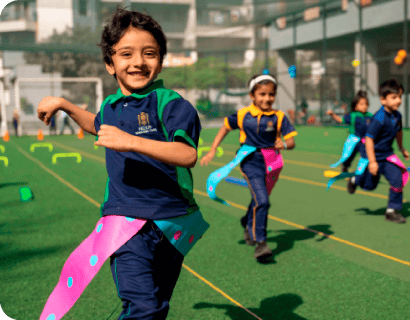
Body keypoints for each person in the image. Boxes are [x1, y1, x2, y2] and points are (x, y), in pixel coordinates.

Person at [37, 8, 209, 319]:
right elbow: (98, 125)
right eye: (126, 53)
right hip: (124, 223)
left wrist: (130, 141)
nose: (139, 62)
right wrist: (65, 105)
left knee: (156, 307)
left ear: (160, 60)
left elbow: (188, 155)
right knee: (144, 306)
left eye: (149, 53)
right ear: (110, 64)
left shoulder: (171, 104)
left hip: (172, 223)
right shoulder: (111, 105)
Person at [200, 74, 297, 261]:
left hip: (272, 161)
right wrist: (213, 150)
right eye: (262, 94)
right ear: (253, 96)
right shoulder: (243, 114)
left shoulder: (279, 117)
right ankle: (261, 244)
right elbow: (225, 128)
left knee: (260, 198)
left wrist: (283, 145)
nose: (267, 98)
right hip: (250, 161)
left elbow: (291, 141)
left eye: (271, 94)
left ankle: (247, 222)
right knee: (263, 201)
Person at [346, 79, 410, 224]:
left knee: (397, 179)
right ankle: (355, 179)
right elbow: (369, 139)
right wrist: (373, 162)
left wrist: (401, 148)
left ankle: (391, 211)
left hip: (387, 156)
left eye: (400, 97)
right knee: (370, 186)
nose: (398, 101)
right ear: (383, 100)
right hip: (372, 156)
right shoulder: (379, 117)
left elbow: (399, 132)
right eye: (394, 97)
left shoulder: (397, 116)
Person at [326, 90, 372, 173]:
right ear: (355, 107)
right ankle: (345, 166)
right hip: (354, 139)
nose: (364, 106)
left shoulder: (369, 116)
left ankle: (363, 171)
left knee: (366, 156)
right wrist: (332, 114)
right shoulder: (353, 115)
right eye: (361, 104)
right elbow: (340, 120)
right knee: (349, 155)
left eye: (366, 104)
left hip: (364, 141)